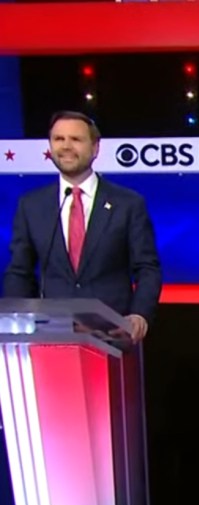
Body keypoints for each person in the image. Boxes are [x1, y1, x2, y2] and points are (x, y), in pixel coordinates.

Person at [3, 110, 161, 343]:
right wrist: (14, 320)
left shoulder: (128, 203)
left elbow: (148, 268)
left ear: (95, 148)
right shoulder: (31, 205)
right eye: (58, 139)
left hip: (113, 335)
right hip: (51, 336)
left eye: (75, 139)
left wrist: (139, 315)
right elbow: (19, 271)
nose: (66, 146)